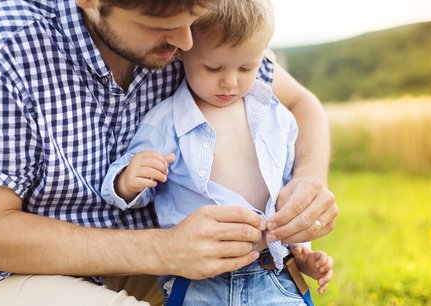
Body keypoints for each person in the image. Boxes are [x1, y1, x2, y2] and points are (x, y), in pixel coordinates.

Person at [0, 0, 337, 305]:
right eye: (164, 25)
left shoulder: (193, 41)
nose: (187, 42)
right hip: (23, 275)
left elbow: (300, 102)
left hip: (164, 272)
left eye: (194, 16)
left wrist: (309, 178)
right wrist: (164, 249)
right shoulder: (8, 51)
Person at [102, 0, 332, 305]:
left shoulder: (272, 113)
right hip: (201, 282)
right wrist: (127, 182)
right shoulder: (166, 120)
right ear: (182, 52)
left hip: (273, 274)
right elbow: (130, 181)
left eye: (247, 67)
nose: (230, 82)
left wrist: (301, 248)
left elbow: (287, 186)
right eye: (213, 68)